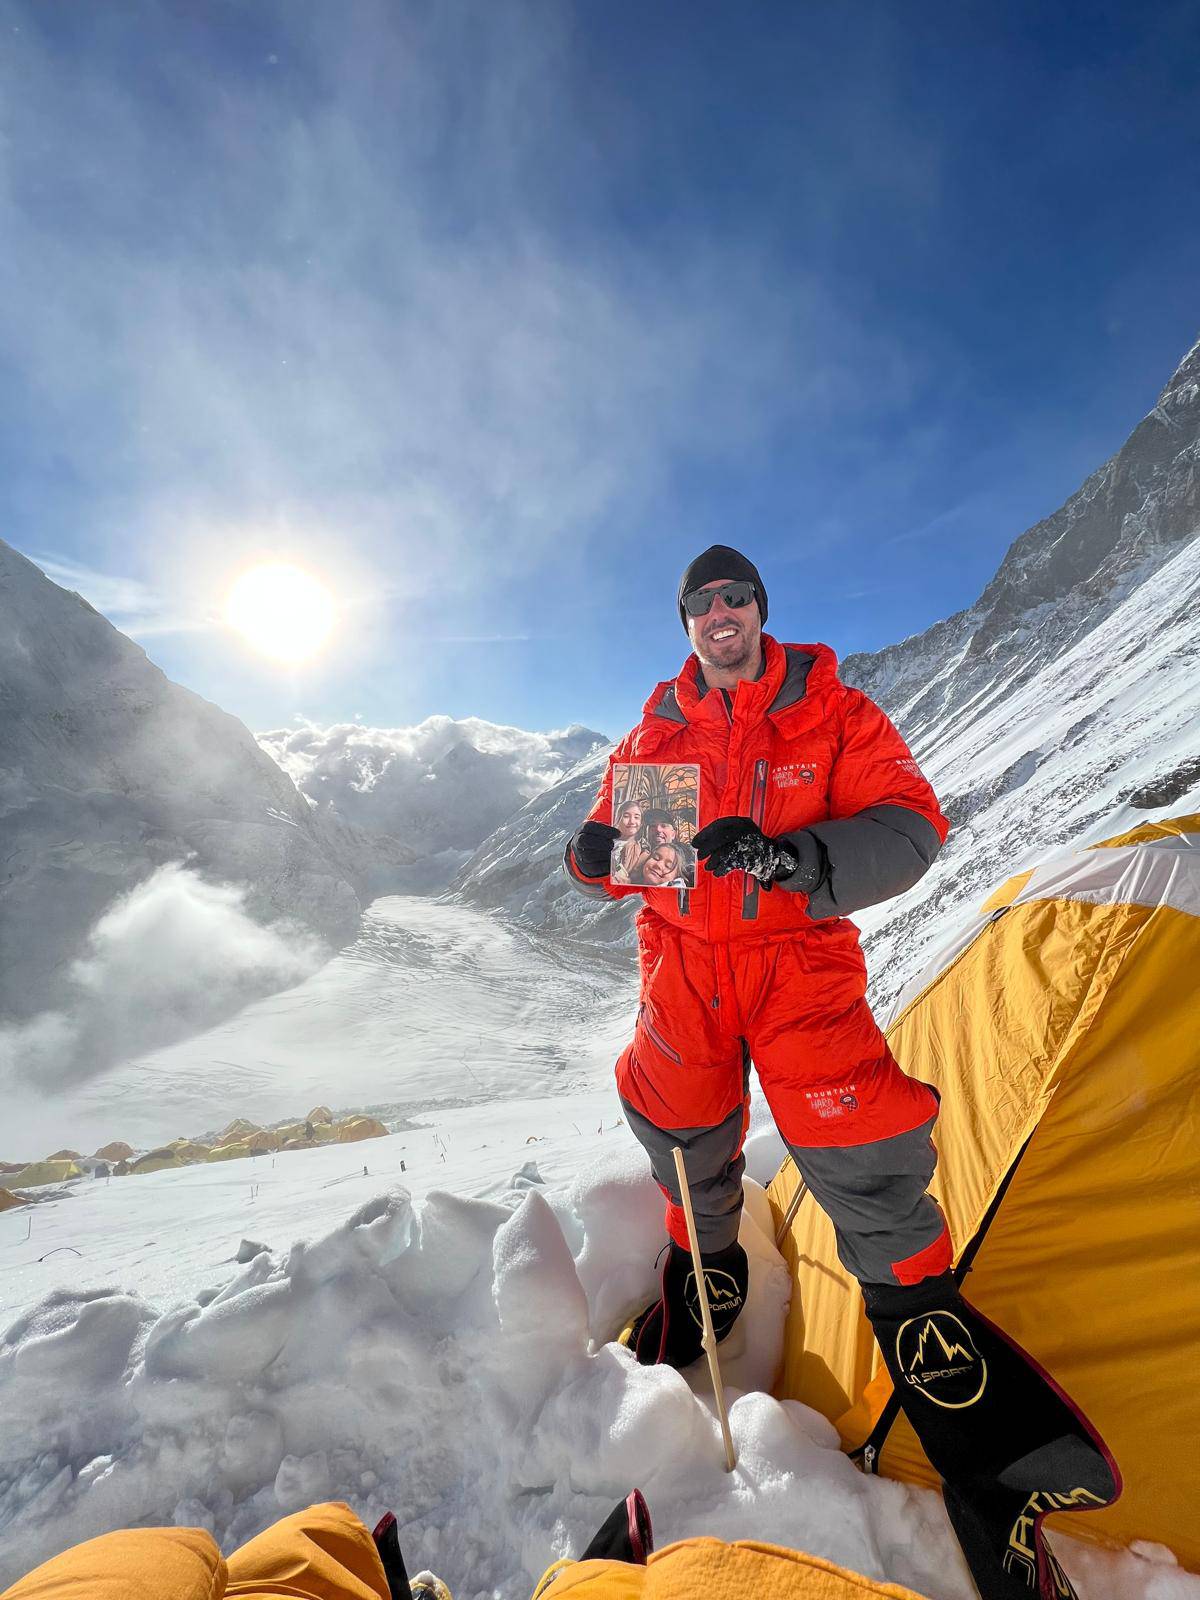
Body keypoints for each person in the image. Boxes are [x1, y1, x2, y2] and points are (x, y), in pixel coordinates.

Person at [564, 546, 1114, 1600]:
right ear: (685, 624)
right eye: (703, 604)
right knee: (683, 1131)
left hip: (796, 961)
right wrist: (595, 861)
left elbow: (910, 829)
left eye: (738, 599)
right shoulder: (656, 733)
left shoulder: (833, 713)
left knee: (861, 1143)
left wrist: (795, 862)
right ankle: (708, 1271)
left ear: (762, 612)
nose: (722, 615)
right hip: (683, 969)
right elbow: (637, 865)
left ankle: (926, 1332)